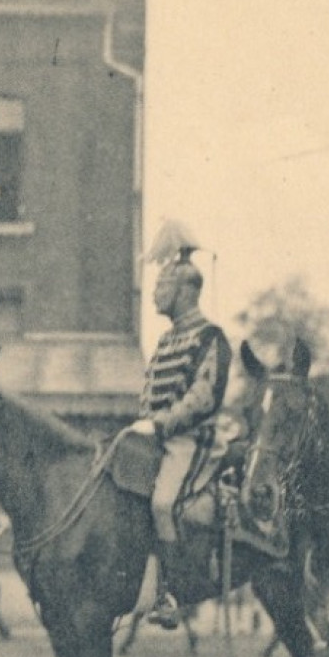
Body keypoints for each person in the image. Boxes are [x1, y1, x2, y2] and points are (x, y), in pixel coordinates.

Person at [128, 223, 231, 629]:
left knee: (162, 503)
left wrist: (160, 425)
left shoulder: (211, 338)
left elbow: (202, 399)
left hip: (191, 441)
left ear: (185, 290)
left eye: (162, 286)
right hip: (157, 439)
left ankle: (172, 595)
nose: (155, 294)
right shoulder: (167, 341)